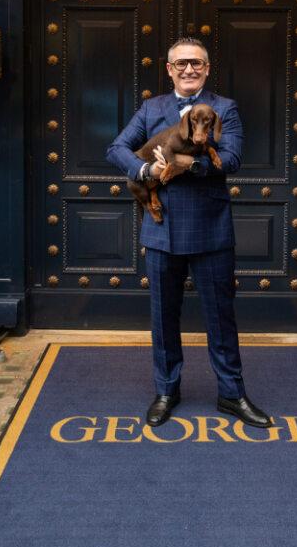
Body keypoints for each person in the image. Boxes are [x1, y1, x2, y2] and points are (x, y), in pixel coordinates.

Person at [107, 37, 271, 429]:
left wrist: (185, 165)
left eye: (196, 63)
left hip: (210, 228)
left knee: (221, 316)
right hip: (161, 230)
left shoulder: (224, 108)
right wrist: (145, 170)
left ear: (207, 69)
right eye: (181, 63)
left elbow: (231, 158)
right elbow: (117, 148)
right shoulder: (152, 108)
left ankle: (232, 394)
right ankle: (167, 391)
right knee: (163, 317)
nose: (189, 70)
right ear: (169, 69)